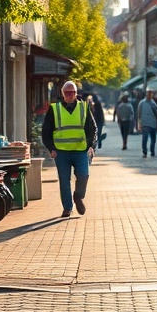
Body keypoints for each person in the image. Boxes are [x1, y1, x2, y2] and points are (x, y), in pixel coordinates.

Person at [41, 80, 96, 218]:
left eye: (72, 92)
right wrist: (51, 148)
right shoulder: (54, 109)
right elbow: (46, 131)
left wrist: (90, 145)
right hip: (61, 151)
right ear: (62, 93)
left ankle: (78, 196)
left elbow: (92, 128)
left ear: (76, 93)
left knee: (84, 175)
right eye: (67, 92)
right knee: (64, 180)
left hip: (80, 150)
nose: (70, 95)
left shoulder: (84, 107)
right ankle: (67, 208)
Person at [138, 90, 157, 158]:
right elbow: (139, 114)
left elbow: (139, 114)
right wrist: (139, 124)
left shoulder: (152, 103)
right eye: (148, 93)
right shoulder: (151, 103)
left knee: (150, 138)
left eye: (150, 93)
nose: (149, 95)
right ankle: (147, 151)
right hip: (146, 123)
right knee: (147, 138)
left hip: (151, 123)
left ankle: (150, 151)